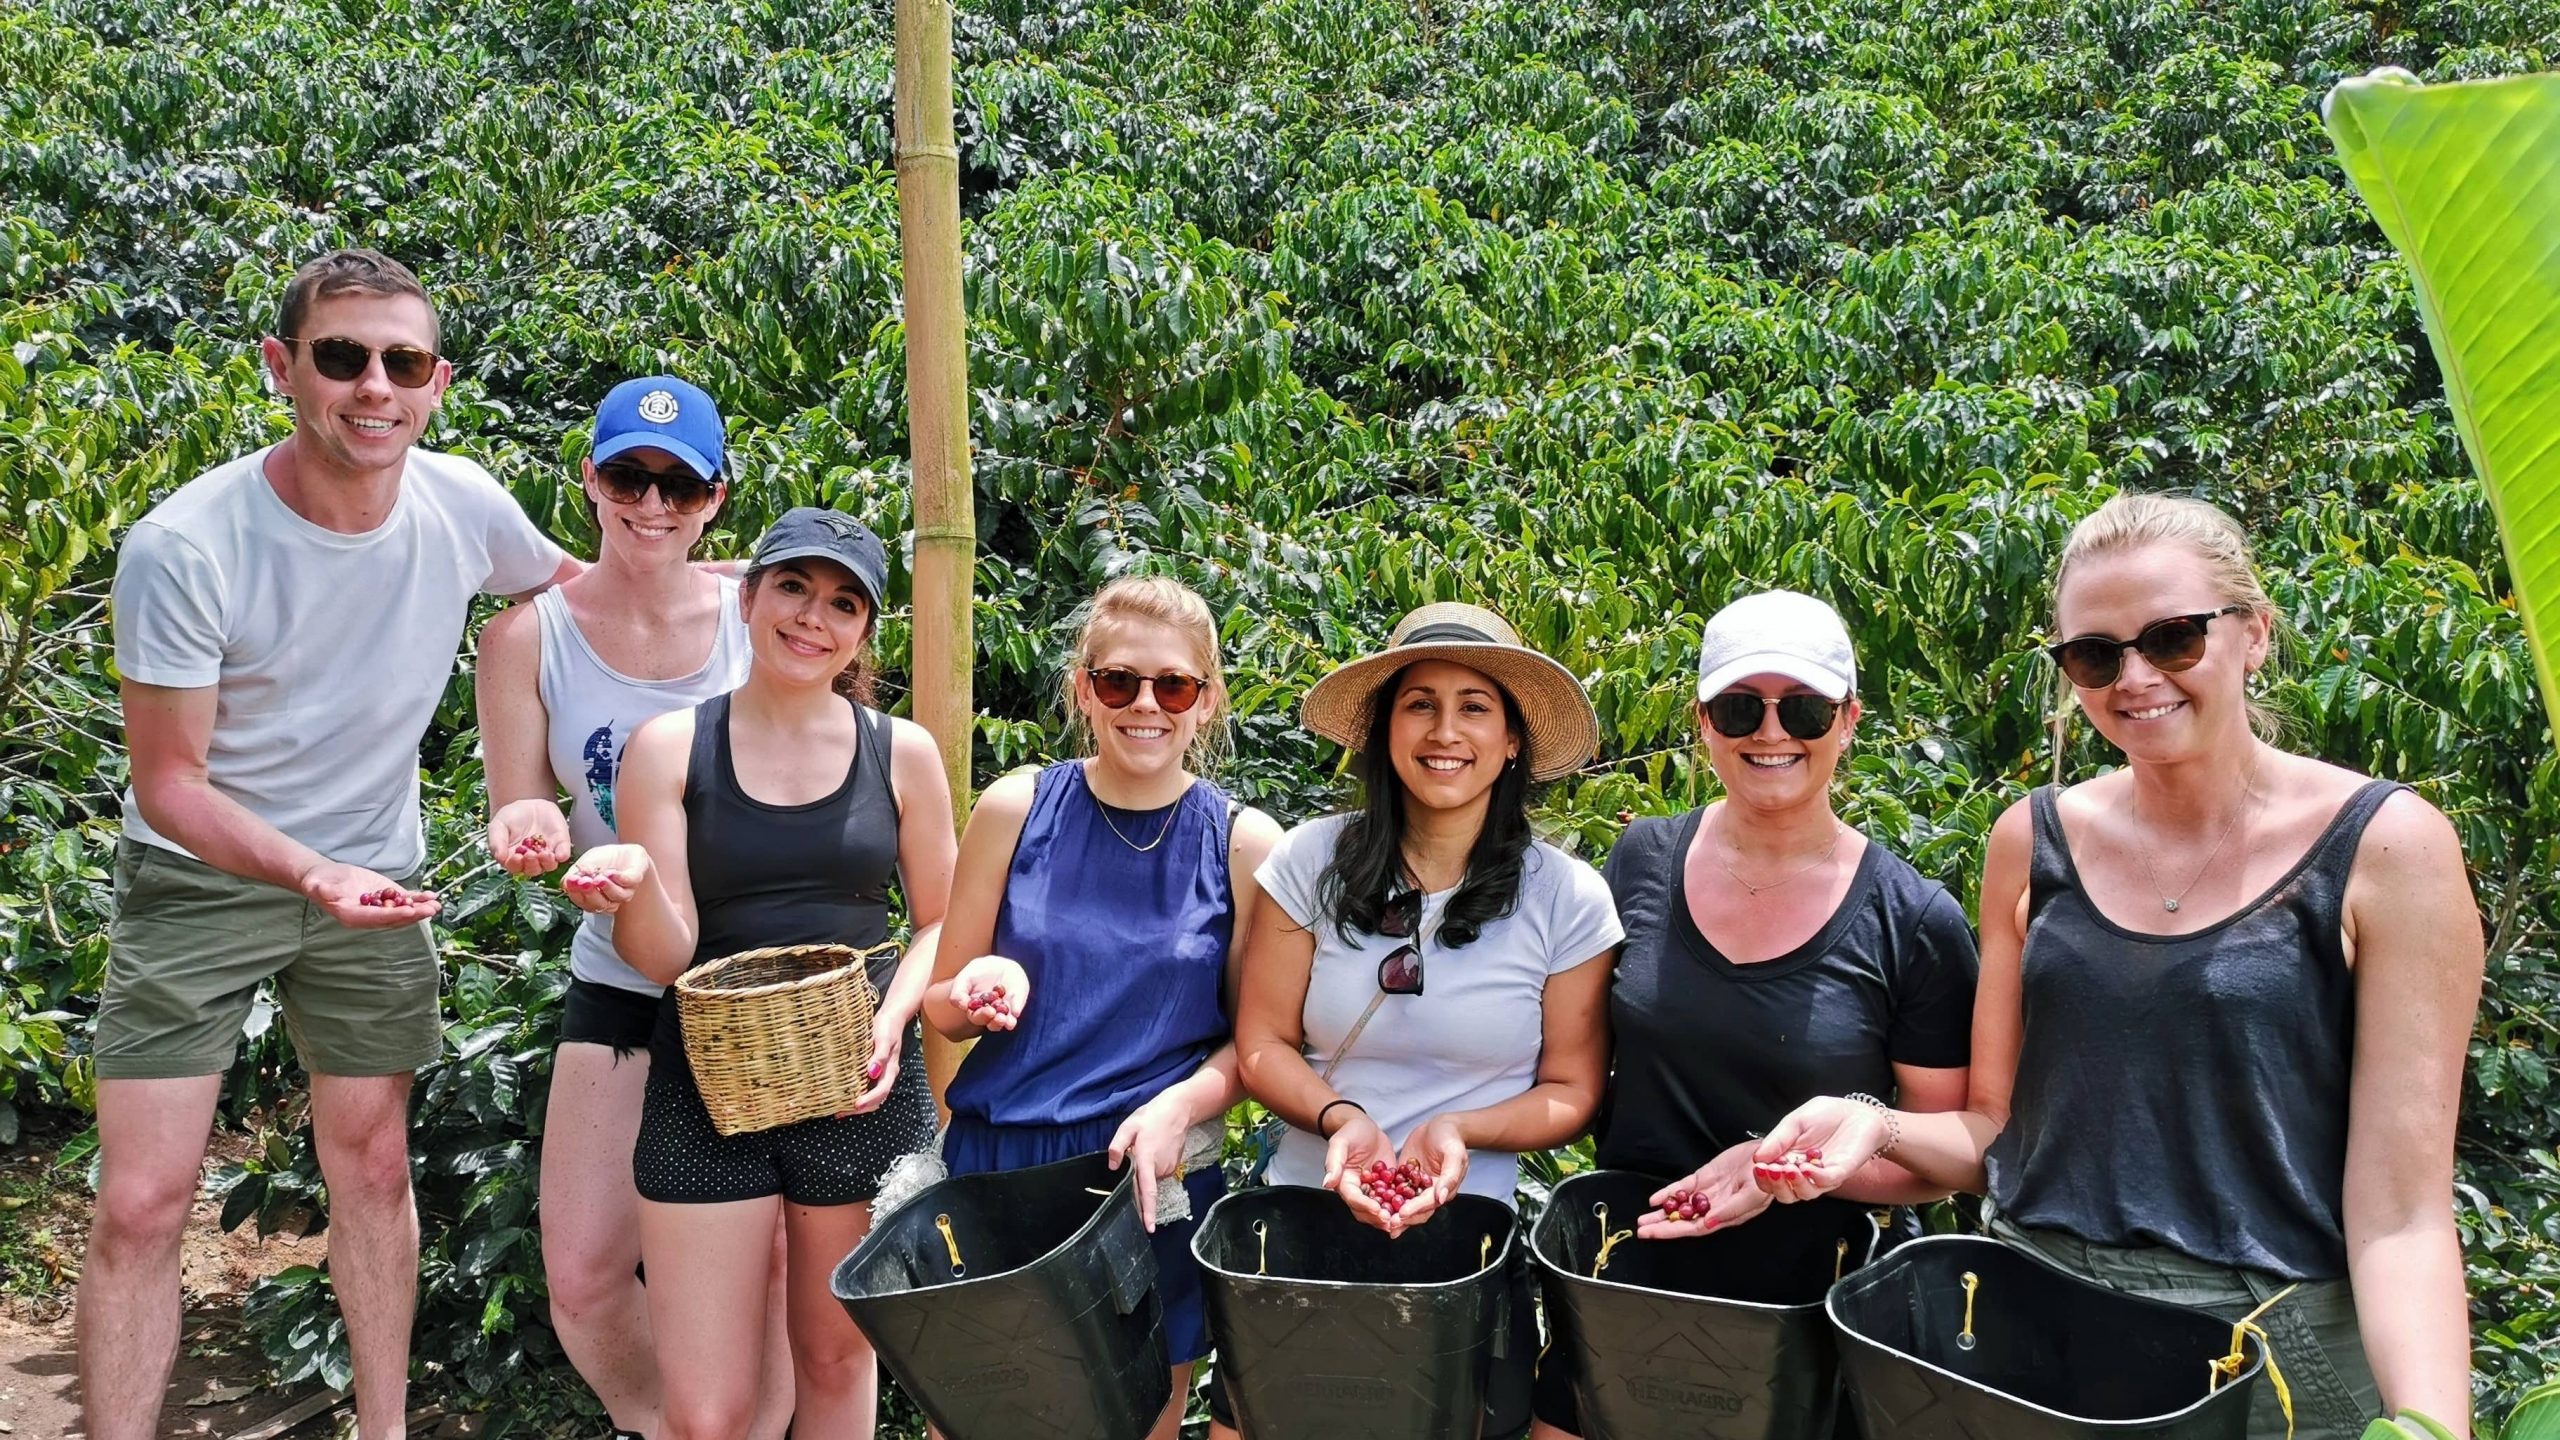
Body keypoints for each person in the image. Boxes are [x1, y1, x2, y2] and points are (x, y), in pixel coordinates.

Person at [1754, 495, 2485, 1440]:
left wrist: (2431, 1425)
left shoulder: (2386, 848)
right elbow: (1997, 1136)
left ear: (2253, 634)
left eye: (2173, 638)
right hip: (2034, 1325)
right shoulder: (2033, 839)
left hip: (2266, 1357)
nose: (2134, 678)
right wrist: (1868, 1126)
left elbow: (2403, 1217)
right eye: (2095, 654)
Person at [81, 248, 578, 1440]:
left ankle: (385, 1427)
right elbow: (170, 783)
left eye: (401, 362)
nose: (374, 387)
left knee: (370, 1167)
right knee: (144, 1203)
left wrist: (762, 600)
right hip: (201, 881)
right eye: (342, 357)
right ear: (281, 367)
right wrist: (311, 870)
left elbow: (585, 598)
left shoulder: (462, 503)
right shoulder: (189, 545)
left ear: (437, 381)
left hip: (378, 876)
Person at [1526, 589, 1979, 1439]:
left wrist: (1799, 1167)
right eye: (1741, 708)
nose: (1771, 733)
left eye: (1802, 708)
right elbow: (1568, 1069)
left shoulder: (1912, 921)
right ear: (1703, 724)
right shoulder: (1639, 861)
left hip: (1802, 1320)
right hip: (1626, 1285)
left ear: (1848, 720)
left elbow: (1959, 1150)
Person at [561, 506, 954, 1440]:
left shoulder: (901, 751)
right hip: (706, 1083)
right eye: (793, 588)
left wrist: (891, 1021)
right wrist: (634, 887)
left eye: (843, 603)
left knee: (836, 1355)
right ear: (748, 597)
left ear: (864, 629)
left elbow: (942, 921)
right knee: (707, 1413)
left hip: (860, 1083)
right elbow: (663, 954)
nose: (813, 617)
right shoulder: (671, 746)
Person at [474, 376, 793, 1439]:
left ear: (715, 497)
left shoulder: (764, 609)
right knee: (585, 1276)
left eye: (678, 484)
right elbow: (520, 787)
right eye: (628, 477)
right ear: (590, 481)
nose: (650, 506)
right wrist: (528, 829)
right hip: (620, 969)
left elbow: (840, 763)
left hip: (762, 983)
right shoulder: (527, 639)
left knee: (777, 1281)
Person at [1229, 602, 1624, 1440]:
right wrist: (1343, 1119)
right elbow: (1261, 1043)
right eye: (1421, 703)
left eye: (1475, 706)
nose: (1446, 731)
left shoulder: (1566, 898)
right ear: (1385, 731)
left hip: (1466, 1249)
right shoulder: (1311, 862)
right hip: (1304, 1231)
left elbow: (1571, 1089)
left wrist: (1458, 1127)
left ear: (1512, 739)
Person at [923, 574, 1281, 1438]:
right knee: (974, 1421)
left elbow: (1258, 1045)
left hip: (1149, 1182)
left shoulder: (1242, 842)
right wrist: (976, 994)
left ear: (1206, 699)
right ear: (1084, 689)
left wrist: (1179, 1107)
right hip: (1001, 1170)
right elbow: (938, 1001)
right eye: (1119, 681)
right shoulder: (1016, 807)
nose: (1145, 705)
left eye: (1173, 686)